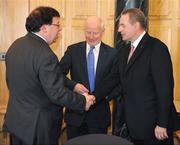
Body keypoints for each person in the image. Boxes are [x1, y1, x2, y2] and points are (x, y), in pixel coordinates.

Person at [4, 6, 95, 145]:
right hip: (38, 128)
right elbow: (56, 93)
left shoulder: (16, 45)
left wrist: (73, 85)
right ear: (44, 28)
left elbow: (18, 82)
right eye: (57, 25)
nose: (60, 29)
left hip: (17, 123)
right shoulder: (46, 55)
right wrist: (83, 102)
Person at [95, 8, 180, 145]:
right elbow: (114, 79)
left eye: (123, 25)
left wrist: (162, 123)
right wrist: (93, 96)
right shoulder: (124, 50)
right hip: (135, 125)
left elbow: (165, 89)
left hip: (155, 127)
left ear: (136, 25)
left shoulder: (157, 48)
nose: (119, 30)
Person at [59, 16, 117, 139]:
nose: (91, 36)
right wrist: (73, 86)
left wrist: (101, 97)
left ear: (102, 32)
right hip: (75, 114)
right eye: (88, 32)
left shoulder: (112, 54)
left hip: (99, 116)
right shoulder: (73, 50)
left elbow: (115, 81)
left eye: (95, 33)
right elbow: (57, 74)